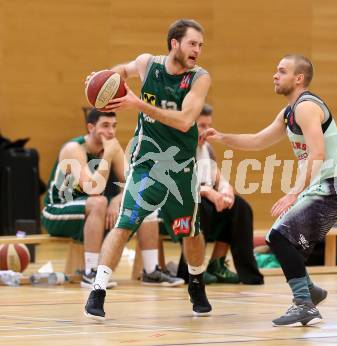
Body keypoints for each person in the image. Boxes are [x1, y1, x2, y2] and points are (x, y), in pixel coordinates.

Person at [204, 54, 337, 326]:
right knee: (282, 239)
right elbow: (258, 140)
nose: (275, 75)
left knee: (279, 236)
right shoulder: (289, 112)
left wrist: (294, 192)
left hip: (334, 187)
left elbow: (317, 153)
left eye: (281, 71)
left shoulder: (306, 107)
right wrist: (222, 137)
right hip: (323, 186)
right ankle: (310, 292)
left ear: (298, 78)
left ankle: (304, 303)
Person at [84, 19, 212, 320]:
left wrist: (138, 104)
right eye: (193, 43)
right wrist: (100, 79)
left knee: (189, 231)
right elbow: (120, 71)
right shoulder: (147, 64)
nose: (197, 50)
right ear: (174, 44)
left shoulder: (199, 78)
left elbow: (184, 121)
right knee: (125, 224)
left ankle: (196, 280)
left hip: (180, 167)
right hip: (146, 165)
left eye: (201, 45)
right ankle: (98, 290)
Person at [41, 108, 123, 289]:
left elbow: (133, 183)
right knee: (99, 201)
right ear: (90, 127)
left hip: (88, 212)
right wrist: (108, 155)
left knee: (134, 205)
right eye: (105, 126)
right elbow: (93, 189)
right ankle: (90, 273)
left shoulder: (111, 147)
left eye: (114, 126)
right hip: (56, 211)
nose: (111, 131)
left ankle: (151, 270)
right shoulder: (74, 149)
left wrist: (117, 200)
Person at [193, 104, 263, 284]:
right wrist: (209, 193)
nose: (206, 131)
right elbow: (180, 185)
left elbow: (218, 177)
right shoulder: (179, 148)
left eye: (209, 125)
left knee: (240, 208)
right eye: (201, 125)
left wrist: (226, 191)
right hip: (185, 201)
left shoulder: (207, 148)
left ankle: (220, 264)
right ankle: (193, 269)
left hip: (206, 197)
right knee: (203, 209)